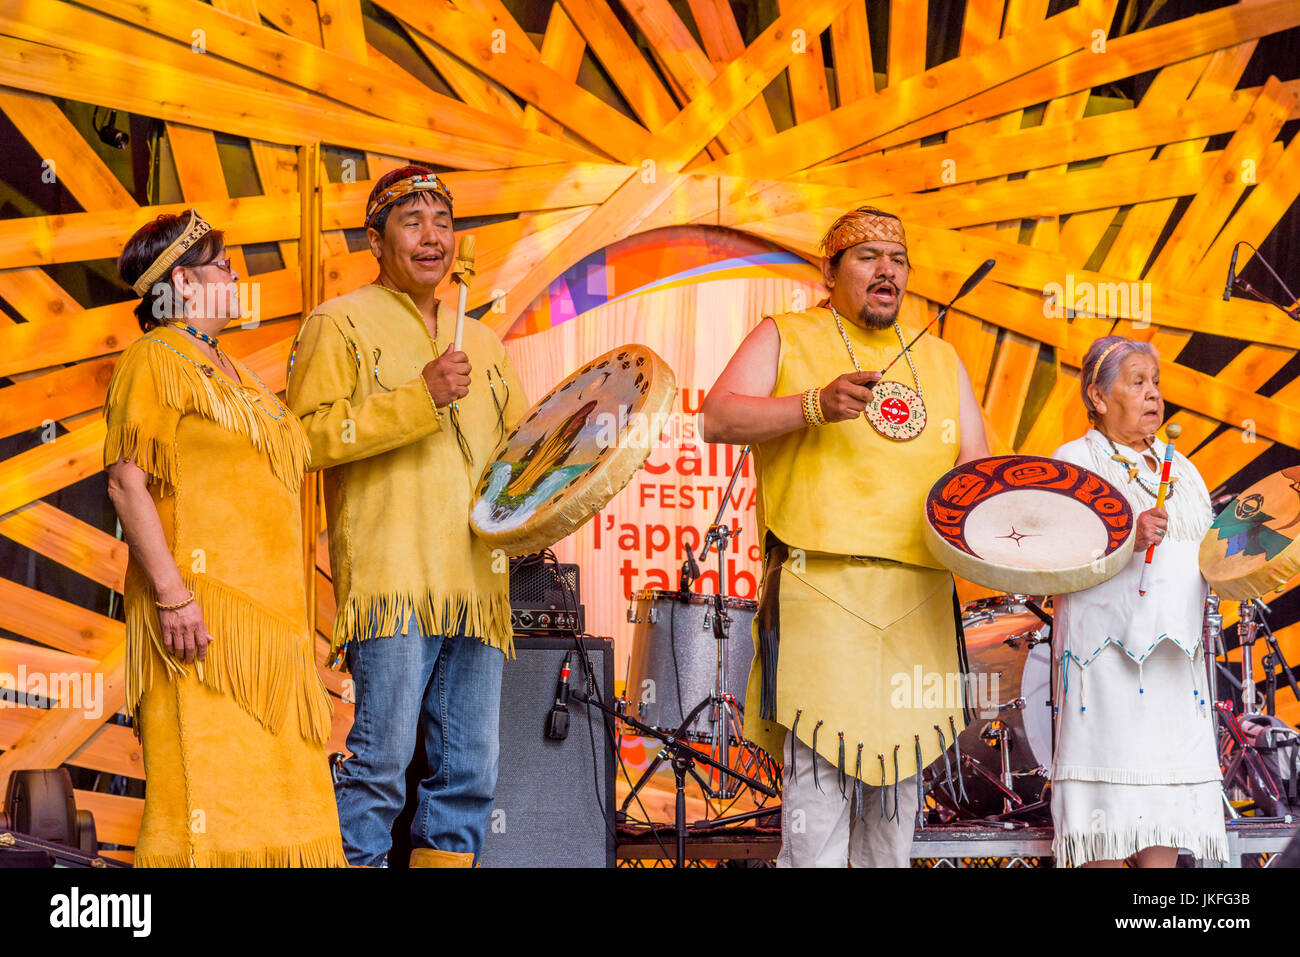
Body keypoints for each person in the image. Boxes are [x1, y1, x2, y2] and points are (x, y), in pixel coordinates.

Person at [699, 207, 991, 867]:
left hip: (918, 599)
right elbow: (717, 416)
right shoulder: (788, 334)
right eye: (867, 256)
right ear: (828, 271)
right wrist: (812, 405)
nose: (887, 270)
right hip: (820, 591)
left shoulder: (940, 358)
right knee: (819, 802)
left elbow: (975, 474)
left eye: (898, 258)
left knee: (895, 814)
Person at [286, 166, 528, 868]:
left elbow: (518, 452)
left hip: (478, 584)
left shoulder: (482, 343)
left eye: (443, 222)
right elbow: (305, 438)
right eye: (412, 221)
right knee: (380, 766)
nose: (432, 237)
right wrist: (419, 397)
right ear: (375, 239)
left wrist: (548, 497)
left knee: (469, 778)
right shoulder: (338, 322)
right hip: (394, 574)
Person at [105, 209, 345, 867]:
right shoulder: (153, 360)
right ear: (182, 280)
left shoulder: (235, 375)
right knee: (202, 815)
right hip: (202, 625)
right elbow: (128, 481)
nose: (236, 274)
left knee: (287, 809)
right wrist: (174, 594)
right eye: (222, 264)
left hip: (273, 645)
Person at [1049, 335, 1227, 867]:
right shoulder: (1073, 461)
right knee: (1105, 820)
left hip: (1174, 663)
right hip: (1105, 660)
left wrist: (1247, 557)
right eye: (1137, 382)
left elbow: (1208, 552)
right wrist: (1128, 539)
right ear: (1098, 399)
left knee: (1162, 810)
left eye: (1156, 382)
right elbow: (1052, 556)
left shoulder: (1183, 469)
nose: (1153, 394)